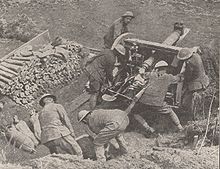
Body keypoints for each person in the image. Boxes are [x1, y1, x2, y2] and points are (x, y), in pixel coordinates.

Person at [137, 60, 184, 132]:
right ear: (165, 69)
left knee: (135, 113)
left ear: (156, 69)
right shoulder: (168, 77)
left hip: (144, 100)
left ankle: (148, 128)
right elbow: (178, 79)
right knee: (170, 112)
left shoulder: (150, 74)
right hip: (158, 103)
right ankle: (180, 127)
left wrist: (142, 70)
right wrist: (181, 75)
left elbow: (142, 74)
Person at [83, 44, 126, 110]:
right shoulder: (112, 59)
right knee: (95, 92)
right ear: (117, 52)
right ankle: (92, 110)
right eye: (120, 54)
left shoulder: (106, 51)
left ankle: (98, 101)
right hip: (95, 72)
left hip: (90, 68)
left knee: (98, 86)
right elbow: (109, 73)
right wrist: (112, 82)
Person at [177, 47, 209, 120]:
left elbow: (188, 76)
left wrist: (182, 77)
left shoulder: (190, 63)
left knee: (188, 101)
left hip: (197, 84)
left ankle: (193, 117)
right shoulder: (196, 55)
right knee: (197, 100)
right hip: (203, 79)